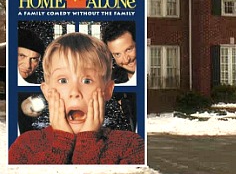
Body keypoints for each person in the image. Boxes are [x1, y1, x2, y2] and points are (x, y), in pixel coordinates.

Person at [9, 32, 144, 164]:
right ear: (48, 92)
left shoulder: (130, 146)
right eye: (63, 80)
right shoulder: (25, 146)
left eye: (86, 81)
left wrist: (88, 142)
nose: (75, 92)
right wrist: (61, 141)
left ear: (107, 90)